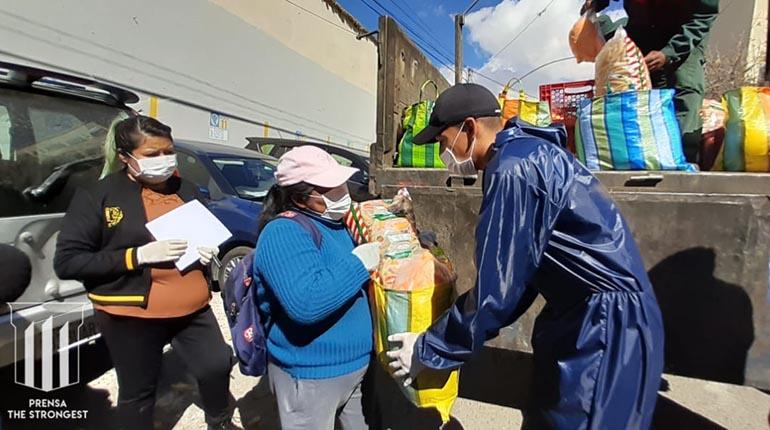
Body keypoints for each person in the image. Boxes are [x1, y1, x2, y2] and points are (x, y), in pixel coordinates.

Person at [386, 84, 665, 429]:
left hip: (605, 327)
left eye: (444, 143)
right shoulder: (530, 153)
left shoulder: (513, 168)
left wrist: (429, 348)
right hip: (594, 315)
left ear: (469, 128)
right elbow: (520, 277)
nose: (445, 155)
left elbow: (496, 292)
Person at [54, 116, 237, 430]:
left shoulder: (187, 189)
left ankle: (219, 422)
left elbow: (197, 233)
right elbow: (69, 261)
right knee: (138, 393)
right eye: (151, 155)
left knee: (217, 365)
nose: (163, 161)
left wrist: (207, 252)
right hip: (130, 315)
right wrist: (136, 256)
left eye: (168, 151)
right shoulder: (98, 196)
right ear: (126, 157)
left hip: (193, 310)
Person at [252, 145, 380, 430]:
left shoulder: (336, 223)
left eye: (341, 184)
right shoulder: (283, 232)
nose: (342, 193)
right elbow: (307, 303)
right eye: (330, 189)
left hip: (357, 366)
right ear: (300, 197)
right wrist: (358, 264)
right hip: (311, 375)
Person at [587, 0, 719, 163]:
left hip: (682, 36)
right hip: (643, 30)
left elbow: (704, 15)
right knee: (631, 90)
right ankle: (638, 157)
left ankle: (683, 162)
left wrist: (669, 53)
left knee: (684, 88)